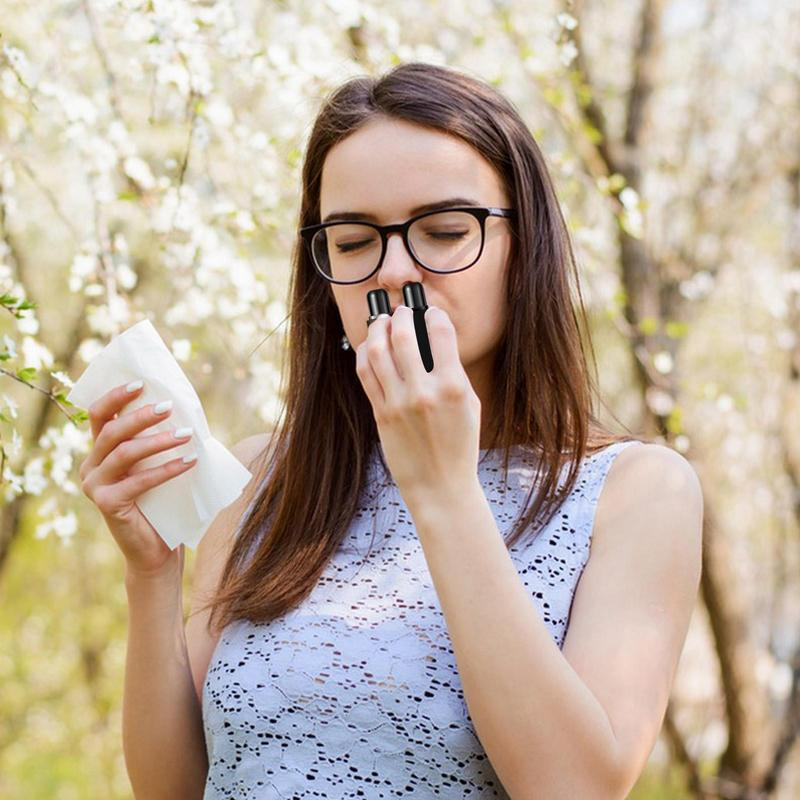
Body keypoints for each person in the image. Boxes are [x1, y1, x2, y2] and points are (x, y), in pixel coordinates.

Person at [80, 61, 703, 799]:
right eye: (352, 242)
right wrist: (152, 578)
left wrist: (443, 489)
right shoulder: (262, 483)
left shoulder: (634, 493)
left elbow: (575, 788)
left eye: (442, 231)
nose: (394, 270)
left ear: (525, 248)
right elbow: (178, 790)